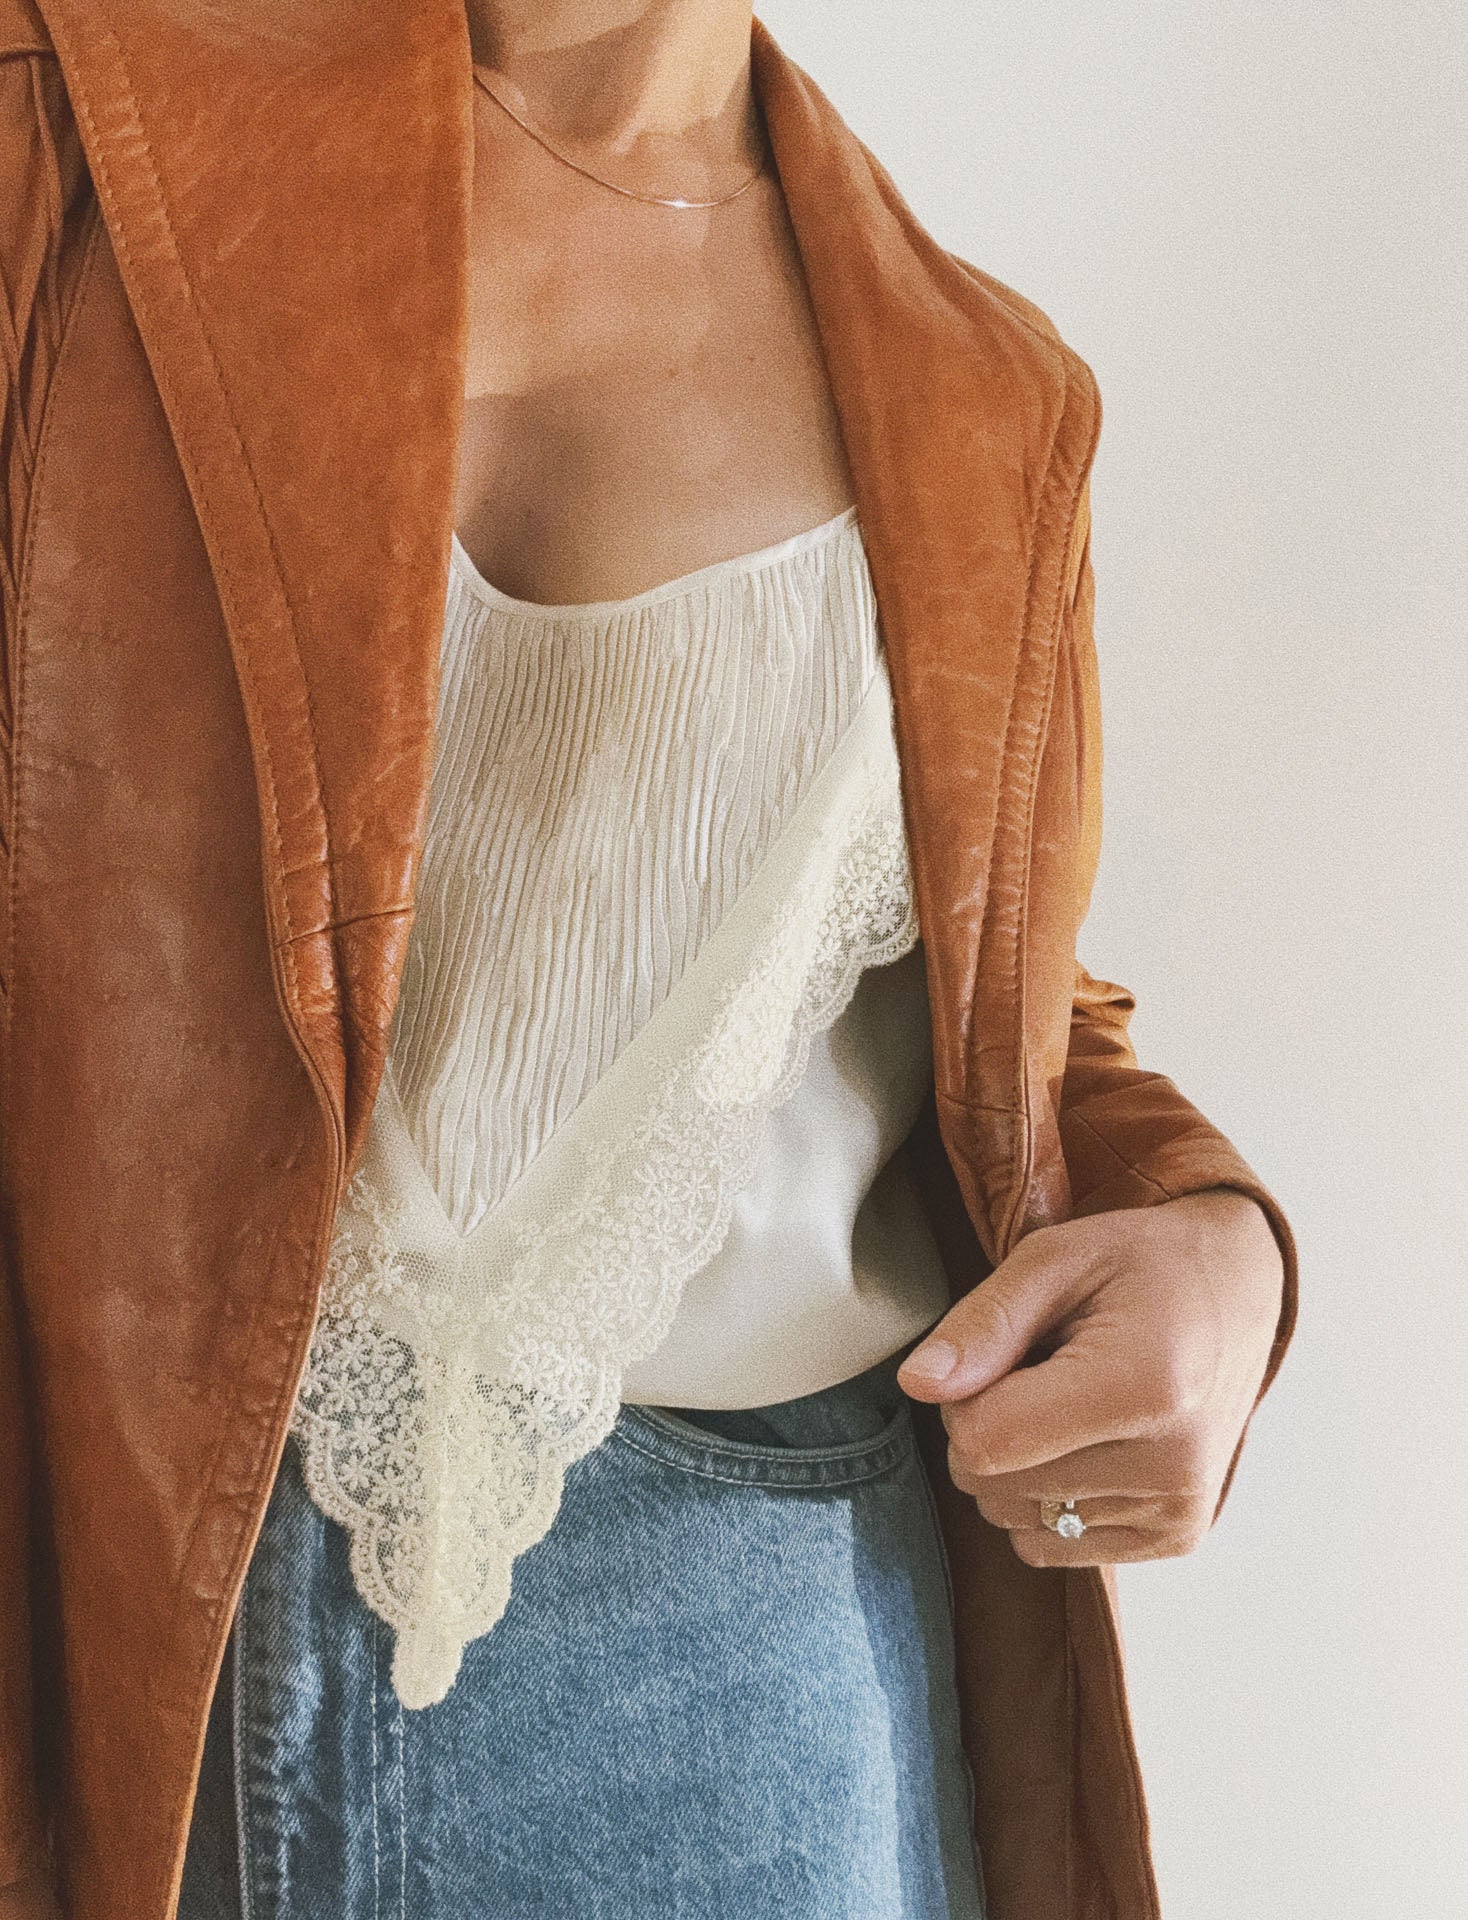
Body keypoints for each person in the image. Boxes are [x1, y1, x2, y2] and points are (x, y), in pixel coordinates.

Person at [0, 3, 1299, 1917]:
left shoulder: (990, 399)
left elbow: (990, 1008)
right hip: (103, 1599)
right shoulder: (68, 128)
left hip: (746, 1664)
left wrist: (1213, 1237)